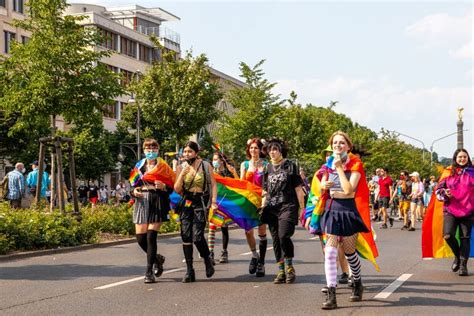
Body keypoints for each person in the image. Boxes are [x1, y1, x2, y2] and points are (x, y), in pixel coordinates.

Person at [320, 131, 370, 310]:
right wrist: (323, 186)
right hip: (331, 210)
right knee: (331, 252)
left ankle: (357, 282)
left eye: (341, 143)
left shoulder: (356, 164)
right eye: (335, 143)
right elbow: (322, 190)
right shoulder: (327, 164)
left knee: (349, 252)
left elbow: (349, 191)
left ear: (348, 146)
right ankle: (331, 294)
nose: (337, 146)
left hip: (347, 210)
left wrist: (339, 167)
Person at [130, 138, 175, 283]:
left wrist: (164, 187)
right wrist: (134, 191)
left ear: (158, 151)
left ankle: (149, 271)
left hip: (157, 199)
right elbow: (133, 184)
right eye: (148, 149)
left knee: (151, 237)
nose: (151, 151)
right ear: (143, 151)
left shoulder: (164, 166)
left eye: (154, 149)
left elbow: (173, 185)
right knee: (140, 238)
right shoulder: (139, 166)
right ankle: (157, 259)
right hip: (142, 200)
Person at [261, 138, 305, 284]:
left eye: (275, 149)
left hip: (288, 205)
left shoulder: (290, 166)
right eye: (270, 150)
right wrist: (262, 206)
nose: (272, 152)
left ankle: (289, 267)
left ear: (281, 151)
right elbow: (265, 190)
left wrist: (302, 209)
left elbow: (299, 189)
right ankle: (281, 269)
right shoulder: (267, 168)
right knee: (275, 239)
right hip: (271, 207)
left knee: (283, 235)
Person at [174, 141, 216, 283]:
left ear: (196, 152)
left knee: (197, 236)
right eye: (185, 152)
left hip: (200, 202)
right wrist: (182, 174)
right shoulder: (181, 167)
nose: (187, 154)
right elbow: (177, 188)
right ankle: (189, 270)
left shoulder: (205, 165)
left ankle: (207, 259)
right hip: (186, 201)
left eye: (190, 152)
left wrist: (214, 202)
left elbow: (213, 184)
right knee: (185, 235)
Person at [435, 148, 473, 276]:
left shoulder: (472, 173)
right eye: (460, 157)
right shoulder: (448, 173)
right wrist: (444, 193)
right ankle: (457, 255)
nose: (462, 159)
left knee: (465, 238)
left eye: (464, 157)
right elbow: (438, 191)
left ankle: (463, 265)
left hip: (468, 211)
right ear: (455, 159)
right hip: (450, 210)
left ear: (468, 158)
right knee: (448, 235)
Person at [240, 138, 269, 277]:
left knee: (262, 231)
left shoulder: (266, 165)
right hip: (248, 201)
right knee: (248, 231)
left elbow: (268, 184)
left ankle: (261, 263)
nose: (253, 150)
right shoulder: (244, 164)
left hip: (261, 201)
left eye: (256, 148)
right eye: (251, 148)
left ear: (260, 150)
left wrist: (265, 197)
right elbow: (241, 184)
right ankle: (254, 254)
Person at [208, 151, 238, 264]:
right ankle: (210, 252)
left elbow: (237, 184)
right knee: (212, 227)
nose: (214, 162)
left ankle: (224, 251)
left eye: (216, 159)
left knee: (224, 228)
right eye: (213, 159)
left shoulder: (227, 173)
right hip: (214, 203)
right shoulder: (210, 172)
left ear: (222, 161)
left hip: (224, 203)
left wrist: (234, 172)